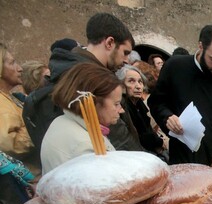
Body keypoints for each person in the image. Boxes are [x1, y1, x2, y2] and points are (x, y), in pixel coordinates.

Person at [23, 12, 134, 154]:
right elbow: (119, 141)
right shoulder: (87, 81)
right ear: (109, 43)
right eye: (125, 52)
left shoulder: (75, 74)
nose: (126, 60)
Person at [149, 24, 212, 172]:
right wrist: (167, 117)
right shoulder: (174, 67)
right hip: (182, 161)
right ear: (201, 46)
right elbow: (156, 103)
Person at [40, 63, 122, 174]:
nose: (121, 110)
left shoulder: (61, 121)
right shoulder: (86, 147)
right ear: (93, 102)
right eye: (116, 104)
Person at [116, 64, 168, 160]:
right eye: (131, 81)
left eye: (140, 82)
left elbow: (148, 131)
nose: (138, 86)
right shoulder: (121, 108)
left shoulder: (140, 105)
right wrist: (160, 142)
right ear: (122, 85)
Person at [0, 45, 37, 176]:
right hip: (30, 178)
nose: (20, 68)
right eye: (12, 63)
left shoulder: (9, 97)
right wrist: (35, 126)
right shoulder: (1, 103)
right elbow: (8, 144)